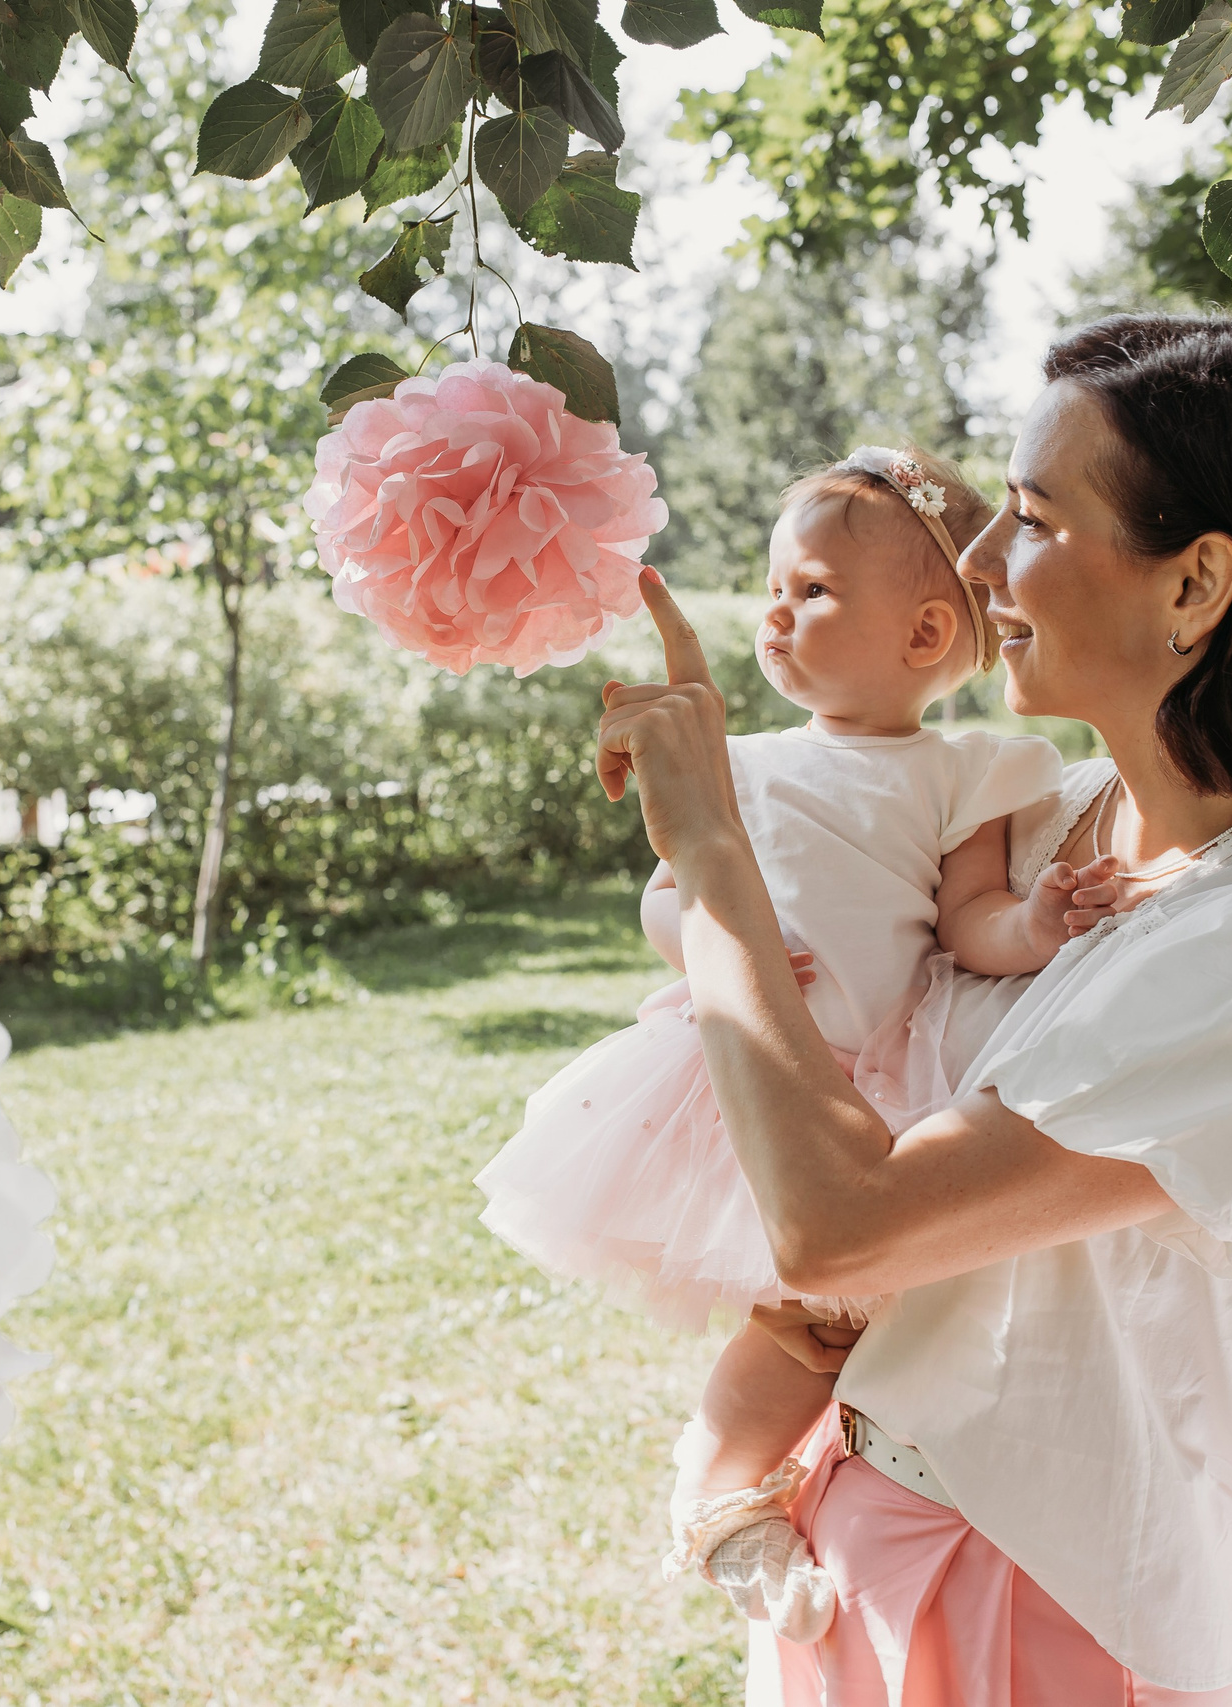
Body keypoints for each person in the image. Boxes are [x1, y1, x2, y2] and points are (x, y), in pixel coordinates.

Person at [595, 314, 1232, 1703]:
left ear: (1197, 585)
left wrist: (715, 861)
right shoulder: (1044, 829)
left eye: (1036, 517)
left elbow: (844, 1218)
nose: (984, 561)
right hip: (855, 1525)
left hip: (1047, 1596)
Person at [475, 447, 1118, 1639]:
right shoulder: (737, 766)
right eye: (774, 588)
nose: (774, 613)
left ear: (927, 636)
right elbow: (666, 898)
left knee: (858, 1316)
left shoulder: (965, 771)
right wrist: (717, 939)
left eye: (812, 591)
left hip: (875, 1075)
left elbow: (966, 921)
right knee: (798, 1317)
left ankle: (803, 1476)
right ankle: (717, 1490)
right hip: (744, 1067)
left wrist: (1032, 923)